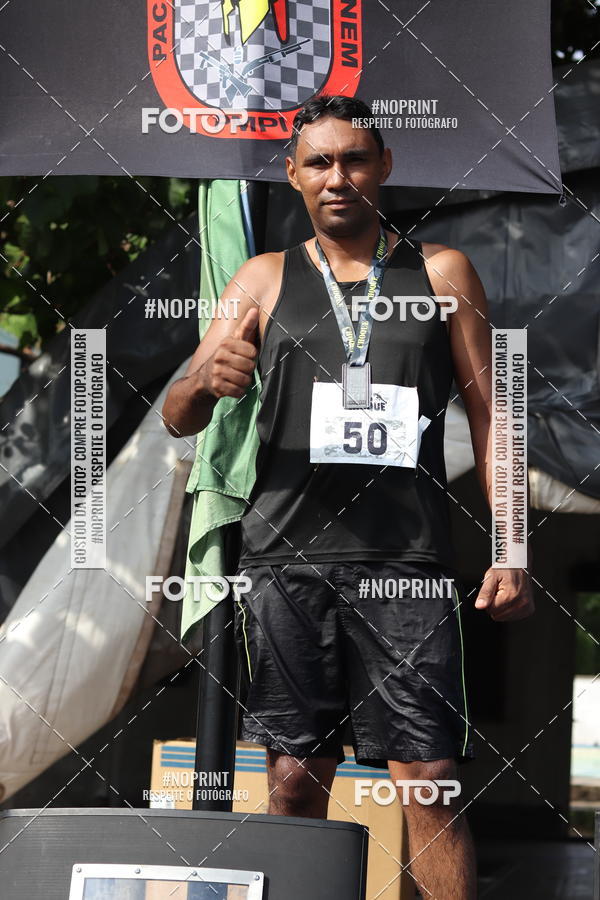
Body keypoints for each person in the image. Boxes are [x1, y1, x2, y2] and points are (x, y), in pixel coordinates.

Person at [162, 94, 534, 900]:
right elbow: (177, 412)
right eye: (321, 163)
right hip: (286, 561)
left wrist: (513, 547)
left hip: (408, 562)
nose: (339, 176)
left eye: (355, 158)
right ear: (293, 175)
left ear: (385, 166)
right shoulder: (261, 278)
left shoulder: (441, 272)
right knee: (295, 778)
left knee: (428, 778)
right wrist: (204, 382)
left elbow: (492, 414)